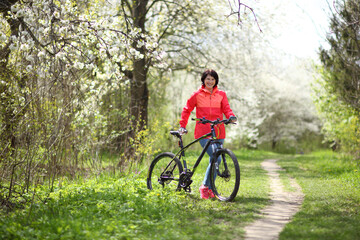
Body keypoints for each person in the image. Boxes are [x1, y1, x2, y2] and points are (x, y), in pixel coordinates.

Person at [178, 69, 237, 199]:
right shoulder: (197, 95)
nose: (210, 81)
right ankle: (205, 187)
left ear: (216, 81)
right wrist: (182, 125)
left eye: (212, 79)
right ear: (203, 80)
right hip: (203, 131)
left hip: (219, 130)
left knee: (215, 159)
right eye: (208, 79)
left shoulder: (221, 94)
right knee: (217, 157)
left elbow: (226, 108)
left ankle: (209, 189)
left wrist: (231, 116)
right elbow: (187, 109)